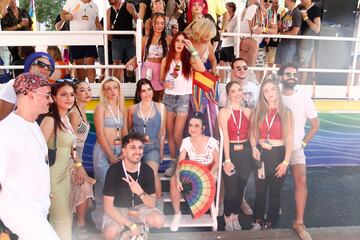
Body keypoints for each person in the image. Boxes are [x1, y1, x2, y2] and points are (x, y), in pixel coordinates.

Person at [0, 73, 59, 239]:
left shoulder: (32, 124)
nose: (51, 100)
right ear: (30, 95)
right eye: (47, 95)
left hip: (37, 208)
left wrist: (41, 188)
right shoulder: (6, 130)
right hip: (19, 210)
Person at [280, 62, 319, 240]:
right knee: (271, 184)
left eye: (294, 74)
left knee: (301, 181)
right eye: (288, 74)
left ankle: (299, 222)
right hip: (276, 147)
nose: (291, 77)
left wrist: (302, 144)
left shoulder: (303, 97)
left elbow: (315, 125)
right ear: (281, 76)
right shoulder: (273, 95)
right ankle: (267, 217)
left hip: (296, 147)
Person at [102, 132, 165, 240]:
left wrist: (140, 192)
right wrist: (131, 225)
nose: (137, 151)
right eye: (133, 148)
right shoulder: (113, 170)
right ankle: (130, 230)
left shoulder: (147, 170)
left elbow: (152, 203)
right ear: (124, 151)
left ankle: (140, 228)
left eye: (140, 148)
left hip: (140, 209)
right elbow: (108, 207)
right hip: (119, 209)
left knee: (159, 221)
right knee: (110, 233)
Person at [250, 78, 294, 230]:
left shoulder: (286, 112)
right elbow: (253, 134)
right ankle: (257, 220)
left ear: (278, 91)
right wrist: (254, 148)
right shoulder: (258, 111)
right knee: (260, 191)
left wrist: (286, 162)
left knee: (275, 192)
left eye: (273, 89)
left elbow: (289, 139)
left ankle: (271, 222)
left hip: (279, 155)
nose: (270, 93)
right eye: (266, 90)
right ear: (262, 93)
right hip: (261, 154)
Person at [160, 31, 205, 177]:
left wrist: (192, 49)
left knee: (178, 134)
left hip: (183, 99)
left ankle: (182, 161)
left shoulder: (189, 60)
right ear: (173, 42)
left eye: (182, 41)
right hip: (168, 99)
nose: (179, 44)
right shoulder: (166, 60)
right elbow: (161, 80)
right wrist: (164, 83)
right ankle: (175, 162)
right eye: (177, 41)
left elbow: (202, 69)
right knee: (170, 134)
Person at [169, 112, 219, 232]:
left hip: (209, 172)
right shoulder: (186, 141)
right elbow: (180, 164)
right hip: (192, 173)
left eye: (197, 126)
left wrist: (210, 174)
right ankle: (177, 214)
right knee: (172, 181)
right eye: (190, 125)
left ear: (203, 128)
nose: (192, 128)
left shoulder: (211, 142)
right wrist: (177, 178)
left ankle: (213, 211)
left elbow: (217, 162)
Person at [40, 80, 77, 240]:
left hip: (65, 177)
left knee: (65, 220)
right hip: (52, 180)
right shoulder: (50, 120)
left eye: (71, 94)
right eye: (63, 94)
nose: (69, 98)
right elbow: (36, 154)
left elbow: (71, 149)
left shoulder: (66, 119)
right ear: (53, 97)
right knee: (62, 221)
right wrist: (42, 185)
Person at [92, 76, 128, 230]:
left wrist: (124, 152)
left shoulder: (122, 108)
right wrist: (110, 155)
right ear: (104, 92)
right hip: (103, 151)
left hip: (119, 150)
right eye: (108, 88)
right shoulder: (101, 107)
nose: (112, 91)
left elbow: (125, 131)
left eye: (115, 87)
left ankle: (114, 220)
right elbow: (100, 134)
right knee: (103, 185)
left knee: (117, 186)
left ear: (119, 90)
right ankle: (100, 221)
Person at [218, 81, 253, 231]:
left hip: (246, 153)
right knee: (231, 191)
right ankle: (227, 217)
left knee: (240, 190)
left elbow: (252, 135)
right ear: (228, 94)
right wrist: (227, 160)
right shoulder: (224, 112)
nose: (238, 93)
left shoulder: (248, 111)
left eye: (239, 90)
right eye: (233, 91)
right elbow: (224, 136)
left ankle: (235, 216)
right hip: (230, 151)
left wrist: (254, 149)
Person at [128, 78, 166, 208]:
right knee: (135, 176)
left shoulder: (160, 107)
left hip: (152, 149)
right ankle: (139, 206)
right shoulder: (132, 109)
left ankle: (159, 204)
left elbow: (162, 131)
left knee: (152, 173)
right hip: (136, 149)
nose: (147, 93)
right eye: (143, 90)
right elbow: (128, 131)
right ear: (139, 93)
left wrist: (161, 151)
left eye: (149, 89)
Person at [68, 80, 95, 238]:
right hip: (71, 158)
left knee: (82, 188)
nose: (88, 93)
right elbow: (70, 141)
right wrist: (77, 164)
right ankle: (80, 225)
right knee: (83, 186)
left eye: (89, 89)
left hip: (78, 158)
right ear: (76, 94)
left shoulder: (82, 111)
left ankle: (78, 222)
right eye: (83, 90)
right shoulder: (74, 113)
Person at [127, 12, 171, 102]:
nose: (159, 26)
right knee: (146, 96)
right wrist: (131, 63)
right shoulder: (145, 39)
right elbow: (139, 56)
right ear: (152, 24)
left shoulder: (168, 39)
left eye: (162, 23)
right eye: (157, 23)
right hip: (147, 70)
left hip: (161, 70)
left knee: (159, 99)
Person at [0, 51, 55, 121]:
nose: (45, 68)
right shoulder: (15, 84)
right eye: (40, 64)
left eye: (50, 67)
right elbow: (2, 117)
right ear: (30, 67)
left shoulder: (50, 89)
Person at [61, 0, 103, 83]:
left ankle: (92, 86)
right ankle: (82, 86)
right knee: (78, 64)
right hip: (76, 38)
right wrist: (66, 17)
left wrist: (105, 31)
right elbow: (62, 14)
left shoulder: (95, 6)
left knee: (91, 63)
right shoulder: (71, 2)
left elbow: (97, 22)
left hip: (90, 38)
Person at [107, 0, 136, 81]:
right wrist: (112, 41)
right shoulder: (108, 11)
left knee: (133, 62)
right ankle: (115, 83)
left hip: (130, 40)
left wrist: (136, 36)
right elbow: (108, 29)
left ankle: (134, 82)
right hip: (116, 41)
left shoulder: (129, 6)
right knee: (116, 63)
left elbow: (138, 21)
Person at [297, 0, 321, 84]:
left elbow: (317, 29)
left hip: (306, 43)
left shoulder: (315, 10)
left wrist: (306, 19)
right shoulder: (299, 8)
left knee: (303, 66)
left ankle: (300, 88)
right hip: (297, 42)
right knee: (296, 66)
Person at [274, 0, 301, 66]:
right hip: (282, 42)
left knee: (286, 66)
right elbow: (281, 29)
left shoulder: (296, 12)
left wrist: (281, 34)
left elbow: (295, 32)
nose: (284, 1)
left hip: (290, 44)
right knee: (278, 65)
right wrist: (279, 21)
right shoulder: (287, 13)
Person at [219, 2, 237, 83]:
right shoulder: (223, 18)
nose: (224, 9)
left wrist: (226, 33)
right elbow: (222, 30)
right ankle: (222, 83)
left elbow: (236, 31)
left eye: (226, 7)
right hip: (223, 45)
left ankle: (232, 83)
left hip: (231, 45)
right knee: (221, 65)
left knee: (231, 66)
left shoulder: (237, 18)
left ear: (231, 8)